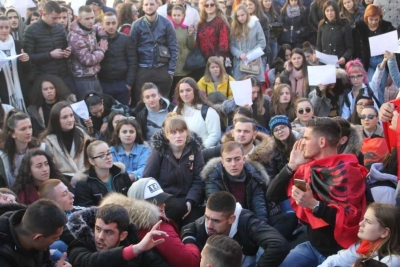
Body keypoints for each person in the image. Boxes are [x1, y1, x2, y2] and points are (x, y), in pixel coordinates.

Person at [266, 117, 368, 266]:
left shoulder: (348, 172)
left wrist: (314, 205)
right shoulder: (306, 169)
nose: (302, 142)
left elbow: (348, 220)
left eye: (306, 138)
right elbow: (272, 195)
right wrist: (291, 166)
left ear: (321, 142)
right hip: (312, 246)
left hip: (340, 253)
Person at [107, 178, 201, 267]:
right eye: (156, 203)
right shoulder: (160, 230)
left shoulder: (120, 222)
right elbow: (190, 262)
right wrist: (189, 239)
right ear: (141, 205)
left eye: (162, 200)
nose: (163, 205)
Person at [181, 191, 290, 266]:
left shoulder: (247, 222)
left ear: (231, 219)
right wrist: (193, 252)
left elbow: (278, 244)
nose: (209, 225)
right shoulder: (207, 220)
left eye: (216, 221)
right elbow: (188, 229)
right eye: (207, 217)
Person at [143, 114, 205, 226]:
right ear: (167, 135)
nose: (178, 136)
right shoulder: (159, 151)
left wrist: (190, 200)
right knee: (177, 209)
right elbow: (148, 178)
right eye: (173, 132)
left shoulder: (195, 151)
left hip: (188, 197)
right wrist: (160, 201)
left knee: (196, 220)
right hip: (164, 198)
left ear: (187, 132)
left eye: (181, 131)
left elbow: (199, 179)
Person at [67, 204, 170, 267]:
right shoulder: (79, 245)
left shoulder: (136, 246)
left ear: (123, 236)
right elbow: (91, 262)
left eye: (108, 232)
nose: (100, 237)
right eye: (98, 229)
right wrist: (133, 250)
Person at [202, 141, 269, 222]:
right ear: (223, 162)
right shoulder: (213, 178)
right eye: (228, 160)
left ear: (244, 160)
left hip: (250, 221)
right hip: (225, 223)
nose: (233, 164)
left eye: (237, 159)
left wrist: (261, 227)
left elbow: (259, 206)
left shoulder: (253, 175)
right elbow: (219, 209)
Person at [319, 203, 400, 267]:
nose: (360, 223)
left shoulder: (391, 261)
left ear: (384, 232)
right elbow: (333, 261)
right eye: (363, 219)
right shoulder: (365, 246)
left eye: (368, 221)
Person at [130, 0, 179, 106]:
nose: (149, 7)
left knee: (163, 103)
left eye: (152, 4)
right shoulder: (136, 25)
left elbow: (173, 47)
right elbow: (132, 51)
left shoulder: (166, 23)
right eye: (146, 4)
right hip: (143, 69)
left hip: (162, 69)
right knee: (142, 104)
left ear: (157, 5)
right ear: (142, 7)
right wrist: (135, 72)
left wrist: (170, 71)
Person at [0, 199, 70, 267]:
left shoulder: (40, 240)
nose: (58, 239)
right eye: (54, 238)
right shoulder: (3, 255)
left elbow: (45, 263)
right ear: (38, 238)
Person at [23, 1, 75, 93]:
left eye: (58, 18)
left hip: (63, 76)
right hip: (44, 80)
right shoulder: (30, 30)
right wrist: (50, 55)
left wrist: (67, 52)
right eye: (54, 18)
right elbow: (28, 58)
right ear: (43, 13)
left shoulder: (59, 27)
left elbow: (65, 48)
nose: (57, 21)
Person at [353, 4, 395, 103]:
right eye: (371, 19)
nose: (373, 22)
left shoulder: (386, 26)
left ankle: (378, 108)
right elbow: (356, 47)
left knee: (380, 85)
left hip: (382, 60)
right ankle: (378, 107)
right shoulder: (360, 27)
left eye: (376, 20)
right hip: (368, 61)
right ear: (366, 17)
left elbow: (393, 41)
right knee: (372, 84)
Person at [74, 140, 134, 207]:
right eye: (101, 155)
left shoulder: (121, 173)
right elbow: (86, 211)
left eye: (109, 153)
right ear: (92, 161)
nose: (108, 157)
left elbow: (132, 199)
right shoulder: (83, 183)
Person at [41, 101, 90, 179]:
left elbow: (90, 158)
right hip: (63, 183)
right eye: (65, 117)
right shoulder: (48, 142)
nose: (70, 120)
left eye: (71, 115)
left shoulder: (82, 134)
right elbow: (52, 169)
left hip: (86, 179)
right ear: (56, 120)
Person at [68, 5, 108, 101]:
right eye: (87, 18)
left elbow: (97, 27)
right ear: (79, 19)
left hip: (94, 76)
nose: (91, 21)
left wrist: (103, 34)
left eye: (92, 18)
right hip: (83, 79)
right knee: (89, 108)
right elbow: (88, 60)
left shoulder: (89, 28)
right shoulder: (75, 37)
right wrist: (102, 50)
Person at [0, 111, 44, 188]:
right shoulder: (3, 157)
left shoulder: (42, 148)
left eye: (30, 127)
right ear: (12, 134)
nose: (28, 132)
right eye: (23, 129)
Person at [174, 77, 221, 148]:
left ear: (195, 91)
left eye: (188, 90)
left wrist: (199, 150)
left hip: (202, 153)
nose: (185, 94)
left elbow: (215, 135)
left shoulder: (208, 111)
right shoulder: (176, 109)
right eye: (181, 91)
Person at [99, 12, 134, 106]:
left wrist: (128, 84)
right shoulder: (97, 40)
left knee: (123, 114)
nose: (111, 26)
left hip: (122, 84)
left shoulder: (125, 39)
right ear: (102, 24)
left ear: (117, 23)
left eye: (113, 23)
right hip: (104, 84)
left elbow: (132, 62)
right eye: (107, 23)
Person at [0, 16, 30, 111]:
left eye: (6, 27)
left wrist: (26, 60)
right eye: (0, 28)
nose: (4, 30)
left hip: (19, 87)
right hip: (3, 88)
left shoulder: (17, 44)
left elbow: (26, 70)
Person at [230, 5, 266, 82]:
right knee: (241, 87)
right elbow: (231, 45)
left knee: (255, 86)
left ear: (247, 14)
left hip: (254, 62)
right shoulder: (234, 27)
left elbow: (262, 42)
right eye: (238, 16)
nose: (240, 18)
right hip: (239, 63)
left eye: (242, 15)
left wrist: (250, 54)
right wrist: (239, 54)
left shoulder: (256, 24)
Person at [196, 0, 230, 79]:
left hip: (217, 59)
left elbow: (224, 41)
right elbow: (198, 42)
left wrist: (221, 59)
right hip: (203, 61)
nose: (209, 7)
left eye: (212, 5)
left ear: (216, 6)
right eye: (206, 5)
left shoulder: (220, 21)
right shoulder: (201, 23)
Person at [169, 5, 196, 99]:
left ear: (183, 16)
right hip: (174, 66)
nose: (176, 17)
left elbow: (191, 46)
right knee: (174, 91)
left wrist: (190, 35)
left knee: (185, 90)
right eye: (174, 15)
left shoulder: (186, 28)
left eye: (178, 15)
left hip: (185, 65)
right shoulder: (169, 28)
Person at [316, 1, 353, 66]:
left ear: (336, 11)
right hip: (325, 64)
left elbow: (350, 47)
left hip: (339, 64)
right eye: (327, 11)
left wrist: (344, 57)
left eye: (332, 10)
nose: (329, 13)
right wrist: (316, 54)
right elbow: (318, 46)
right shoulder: (322, 25)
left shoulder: (345, 25)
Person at [261, 0, 282, 66]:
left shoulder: (274, 13)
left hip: (274, 38)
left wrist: (274, 25)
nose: (268, 3)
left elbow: (280, 23)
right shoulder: (261, 14)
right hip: (265, 39)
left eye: (269, 1)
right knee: (265, 59)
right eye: (266, 1)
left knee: (273, 58)